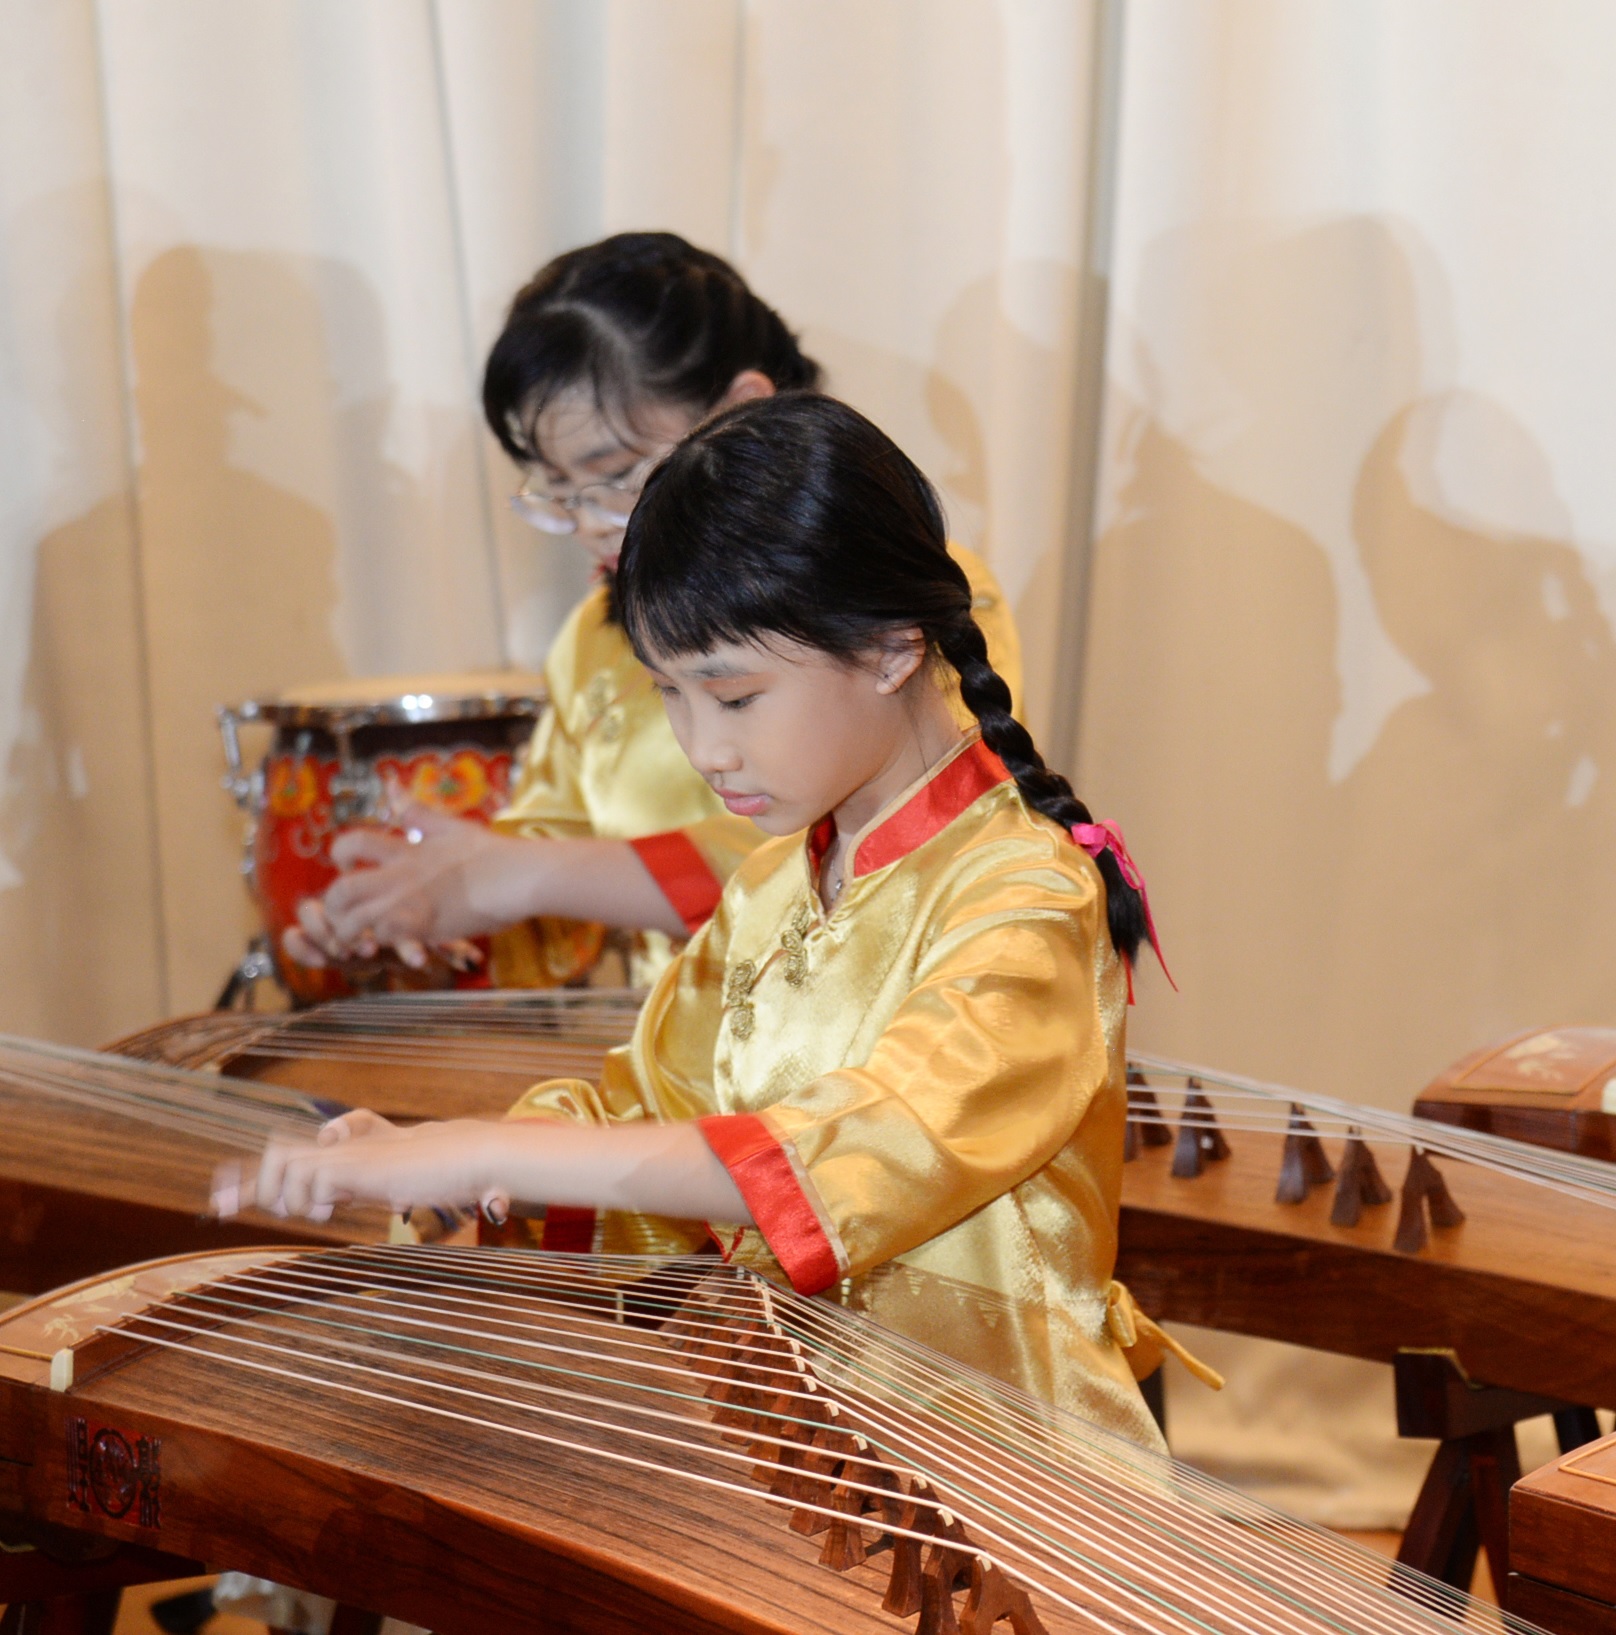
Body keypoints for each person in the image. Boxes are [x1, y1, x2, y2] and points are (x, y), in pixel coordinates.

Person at [245, 394, 1179, 1446]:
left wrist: (468, 1149)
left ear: (889, 648)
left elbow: (867, 1145)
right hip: (806, 1445)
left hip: (1004, 1475)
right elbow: (643, 1111)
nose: (704, 748)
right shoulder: (777, 884)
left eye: (732, 698)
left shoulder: (1025, 897)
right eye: (669, 698)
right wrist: (484, 1167)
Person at [286, 231, 1023, 984]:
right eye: (557, 493)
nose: (589, 523)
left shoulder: (905, 591)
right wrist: (424, 912)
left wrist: (512, 875)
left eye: (615, 475)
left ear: (739, 409)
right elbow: (549, 866)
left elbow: (909, 839)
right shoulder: (594, 638)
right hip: (667, 1063)